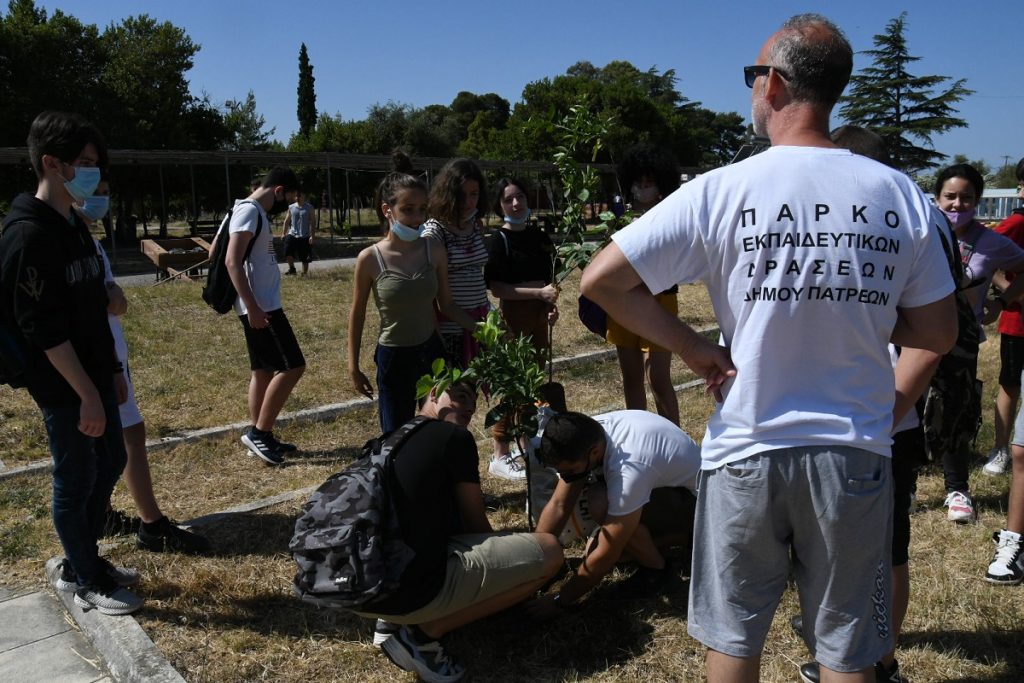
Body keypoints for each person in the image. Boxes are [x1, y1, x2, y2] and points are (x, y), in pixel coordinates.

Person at [580, 15, 958, 682]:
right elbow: (937, 332)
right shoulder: (899, 195)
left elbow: (603, 280)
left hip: (747, 445)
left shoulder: (725, 188)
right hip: (854, 452)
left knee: (734, 639)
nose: (751, 89)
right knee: (847, 649)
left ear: (775, 84)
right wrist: (889, 403)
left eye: (753, 76)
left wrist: (695, 348)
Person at [794, 125, 943, 683]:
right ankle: (866, 652)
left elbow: (934, 335)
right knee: (854, 552)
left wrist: (889, 413)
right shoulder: (900, 216)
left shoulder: (905, 219)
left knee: (878, 554)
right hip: (863, 419)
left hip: (878, 421)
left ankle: (880, 661)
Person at [0, 111, 143, 615]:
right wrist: (85, 392)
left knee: (111, 461)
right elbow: (44, 331)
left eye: (96, 163)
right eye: (83, 163)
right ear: (51, 164)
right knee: (76, 475)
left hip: (94, 375)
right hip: (63, 384)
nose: (92, 172)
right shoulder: (27, 236)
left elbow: (90, 314)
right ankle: (84, 575)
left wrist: (111, 376)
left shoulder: (73, 225)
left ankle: (83, 557)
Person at [356, 382, 563, 682]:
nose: (468, 408)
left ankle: (390, 621)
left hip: (365, 585)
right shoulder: (454, 438)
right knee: (551, 552)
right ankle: (422, 635)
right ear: (431, 394)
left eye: (473, 404)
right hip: (409, 590)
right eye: (461, 397)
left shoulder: (390, 439)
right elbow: (476, 525)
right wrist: (518, 564)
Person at [76, 178, 210, 554]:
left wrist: (115, 299)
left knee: (112, 440)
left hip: (111, 357)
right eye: (95, 191)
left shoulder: (89, 242)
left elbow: (114, 301)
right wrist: (114, 299)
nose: (102, 198)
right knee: (125, 437)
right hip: (102, 361)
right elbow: (107, 301)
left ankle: (103, 514)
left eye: (105, 191)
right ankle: (149, 524)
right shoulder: (75, 243)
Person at [525, 410, 699, 617]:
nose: (565, 477)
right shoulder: (585, 434)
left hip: (696, 510)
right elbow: (559, 504)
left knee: (601, 504)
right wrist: (534, 560)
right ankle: (677, 541)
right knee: (605, 544)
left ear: (595, 452)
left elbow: (608, 551)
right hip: (668, 492)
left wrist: (560, 600)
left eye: (569, 471)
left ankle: (659, 571)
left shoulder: (629, 469)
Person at [348, 172, 477, 434]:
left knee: (440, 428)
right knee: (396, 436)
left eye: (422, 210)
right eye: (408, 210)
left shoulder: (434, 250)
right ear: (388, 210)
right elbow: (357, 314)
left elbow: (447, 305)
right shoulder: (370, 259)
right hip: (394, 357)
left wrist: (486, 330)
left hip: (432, 354)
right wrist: (353, 366)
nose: (417, 218)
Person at [933, 163, 1024, 521]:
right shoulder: (921, 232)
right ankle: (906, 487)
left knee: (957, 410)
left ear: (978, 201)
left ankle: (957, 490)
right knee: (909, 412)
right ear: (937, 198)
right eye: (950, 197)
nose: (957, 205)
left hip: (962, 339)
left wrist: (1001, 302)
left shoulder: (991, 242)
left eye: (966, 198)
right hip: (912, 337)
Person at [223, 166, 306, 466]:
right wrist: (253, 306)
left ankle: (260, 437)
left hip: (260, 305)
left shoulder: (247, 211)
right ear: (279, 190)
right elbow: (232, 261)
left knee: (262, 371)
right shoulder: (250, 211)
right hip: (262, 307)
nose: (285, 206)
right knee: (293, 366)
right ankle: (260, 432)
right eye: (287, 198)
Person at [484, 177, 559, 479]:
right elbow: (498, 288)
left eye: (520, 197)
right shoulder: (498, 241)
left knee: (534, 385)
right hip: (513, 321)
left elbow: (552, 279)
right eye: (508, 200)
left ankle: (525, 444)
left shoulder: (539, 237)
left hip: (539, 319)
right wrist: (537, 294)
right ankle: (500, 452)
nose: (516, 204)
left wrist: (550, 306)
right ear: (500, 205)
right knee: (514, 386)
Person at [606, 143, 681, 426]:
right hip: (622, 304)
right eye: (639, 181)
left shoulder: (670, 214)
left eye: (650, 182)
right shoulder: (616, 216)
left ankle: (676, 440)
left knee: (659, 379)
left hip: (660, 301)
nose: (643, 187)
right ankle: (640, 436)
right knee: (632, 379)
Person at [984, 161, 1024, 584]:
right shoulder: (1014, 222)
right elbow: (986, 250)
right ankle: (999, 448)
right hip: (1018, 325)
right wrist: (1005, 292)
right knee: (1009, 386)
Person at [423, 158, 491, 368]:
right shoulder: (435, 233)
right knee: (454, 396)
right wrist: (479, 329)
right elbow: (442, 302)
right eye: (461, 195)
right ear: (448, 194)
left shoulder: (474, 225)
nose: (469, 202)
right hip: (452, 331)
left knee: (472, 396)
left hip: (479, 323)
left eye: (474, 194)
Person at [282, 190, 316, 276]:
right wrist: (283, 233)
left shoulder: (309, 207)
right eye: (296, 196)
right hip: (292, 234)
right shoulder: (291, 207)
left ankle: (304, 273)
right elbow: (286, 221)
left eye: (299, 196)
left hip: (304, 235)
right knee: (287, 251)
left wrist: (312, 236)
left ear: (304, 196)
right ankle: (292, 269)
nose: (297, 197)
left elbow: (313, 222)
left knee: (304, 257)